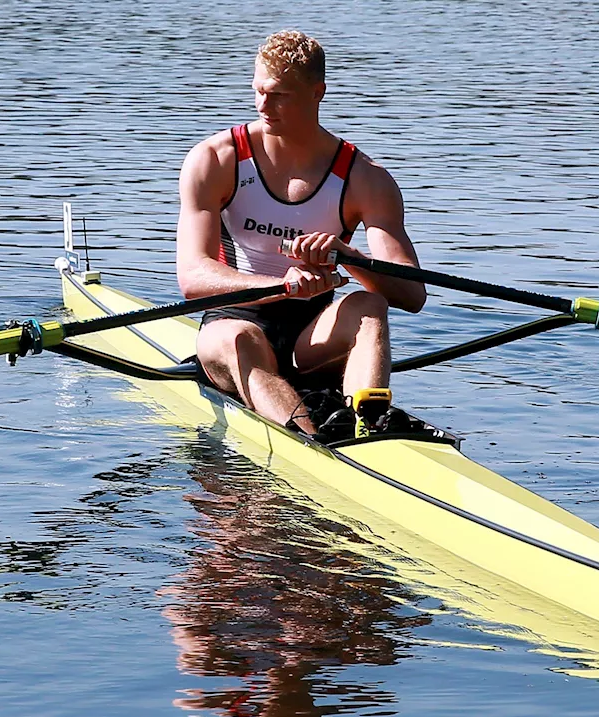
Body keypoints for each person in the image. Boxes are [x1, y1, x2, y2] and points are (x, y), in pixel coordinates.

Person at [175, 30, 425, 435]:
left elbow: (412, 293)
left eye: (279, 95)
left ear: (317, 93)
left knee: (369, 306)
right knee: (241, 339)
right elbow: (193, 276)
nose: (262, 105)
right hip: (233, 320)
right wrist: (283, 285)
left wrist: (349, 257)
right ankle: (306, 437)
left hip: (313, 332)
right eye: (258, 91)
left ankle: (370, 421)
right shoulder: (216, 160)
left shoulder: (365, 179)